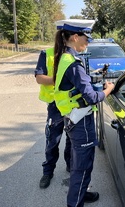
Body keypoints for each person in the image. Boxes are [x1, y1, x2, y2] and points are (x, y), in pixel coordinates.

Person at [52, 19, 115, 207]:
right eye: (86, 39)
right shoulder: (73, 64)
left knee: (82, 163)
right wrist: (108, 89)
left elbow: (77, 84)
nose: (88, 43)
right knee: (82, 166)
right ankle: (75, 202)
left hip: (72, 117)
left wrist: (93, 76)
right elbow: (91, 97)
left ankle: (82, 193)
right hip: (80, 122)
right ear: (74, 37)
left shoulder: (65, 57)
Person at [35, 47, 71, 189]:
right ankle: (48, 172)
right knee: (53, 141)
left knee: (72, 138)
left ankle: (70, 164)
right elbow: (39, 77)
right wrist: (60, 80)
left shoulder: (76, 54)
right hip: (55, 105)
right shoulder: (47, 54)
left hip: (72, 103)